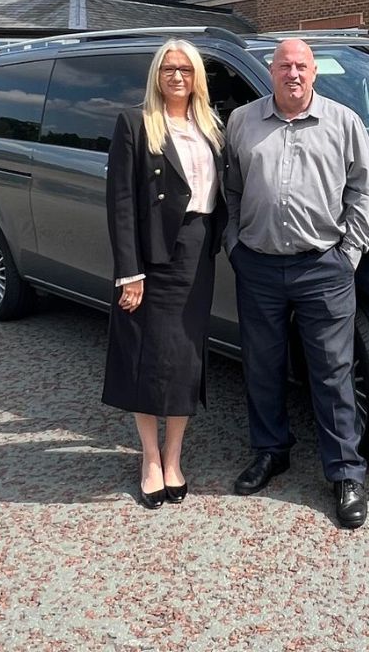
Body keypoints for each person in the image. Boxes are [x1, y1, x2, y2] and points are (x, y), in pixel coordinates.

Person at [223, 38, 369, 529]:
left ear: (314, 73)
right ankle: (271, 452)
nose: (292, 74)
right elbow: (230, 189)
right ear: (270, 72)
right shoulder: (242, 122)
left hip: (324, 267)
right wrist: (235, 245)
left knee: (333, 373)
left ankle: (345, 475)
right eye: (284, 66)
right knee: (262, 367)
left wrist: (349, 254)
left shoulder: (343, 122)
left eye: (301, 66)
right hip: (260, 266)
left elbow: (365, 192)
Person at [104, 39, 227, 509]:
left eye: (186, 70)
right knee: (149, 357)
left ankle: (174, 456)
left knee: (186, 359)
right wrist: (129, 273)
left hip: (198, 252)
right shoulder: (136, 124)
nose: (177, 77)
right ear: (157, 75)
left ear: (197, 77)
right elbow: (119, 204)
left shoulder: (212, 126)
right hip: (154, 257)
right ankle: (150, 459)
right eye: (168, 69)